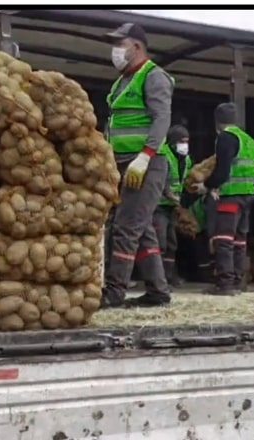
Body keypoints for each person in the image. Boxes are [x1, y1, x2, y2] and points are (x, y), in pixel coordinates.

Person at [101, 23, 174, 308]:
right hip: (123, 164)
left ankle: (115, 292)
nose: (115, 51)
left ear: (137, 47)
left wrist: (145, 156)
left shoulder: (154, 76)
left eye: (121, 44)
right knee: (142, 230)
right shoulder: (121, 81)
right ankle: (158, 292)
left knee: (126, 227)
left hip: (146, 164)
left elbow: (162, 119)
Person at [191, 103, 254, 295]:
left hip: (230, 196)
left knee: (224, 240)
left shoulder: (225, 138)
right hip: (248, 196)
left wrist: (206, 186)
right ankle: (237, 282)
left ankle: (225, 284)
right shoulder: (251, 142)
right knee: (239, 241)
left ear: (217, 122)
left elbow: (222, 171)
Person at [154, 124, 192, 288]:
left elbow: (188, 180)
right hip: (159, 205)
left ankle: (169, 276)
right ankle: (158, 279)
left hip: (172, 207)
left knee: (171, 243)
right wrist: (173, 198)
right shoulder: (163, 154)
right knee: (160, 242)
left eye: (187, 141)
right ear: (172, 141)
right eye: (182, 141)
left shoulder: (186, 159)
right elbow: (160, 182)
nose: (185, 145)